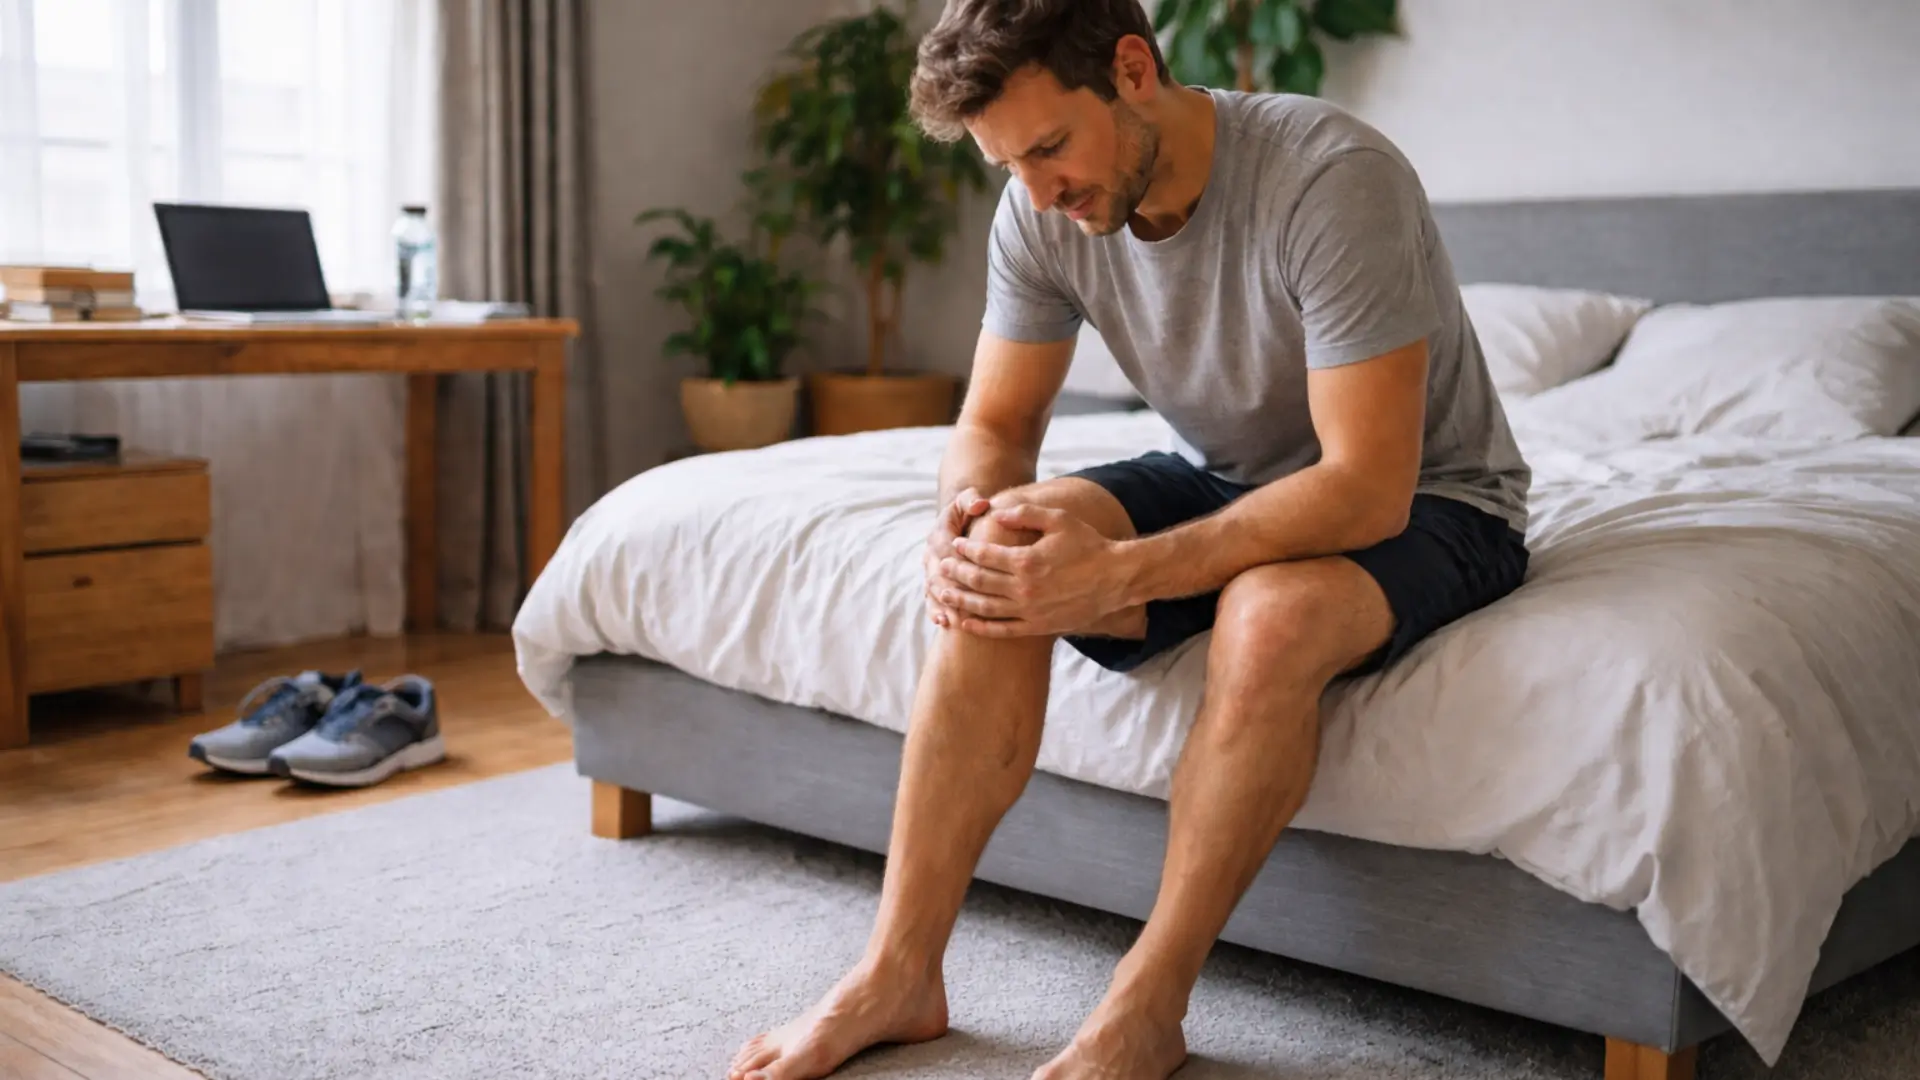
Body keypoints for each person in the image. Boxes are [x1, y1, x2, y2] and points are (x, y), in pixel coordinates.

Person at [729, 1, 1532, 1078]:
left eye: (1052, 148)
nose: (1041, 193)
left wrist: (1116, 575)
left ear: (1133, 67)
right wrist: (965, 527)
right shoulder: (1042, 212)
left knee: (1275, 609)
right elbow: (995, 428)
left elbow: (1364, 489)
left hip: (1436, 499)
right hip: (1229, 476)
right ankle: (898, 973)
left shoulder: (1330, 177)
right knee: (1007, 541)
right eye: (1009, 165)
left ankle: (1148, 1002)